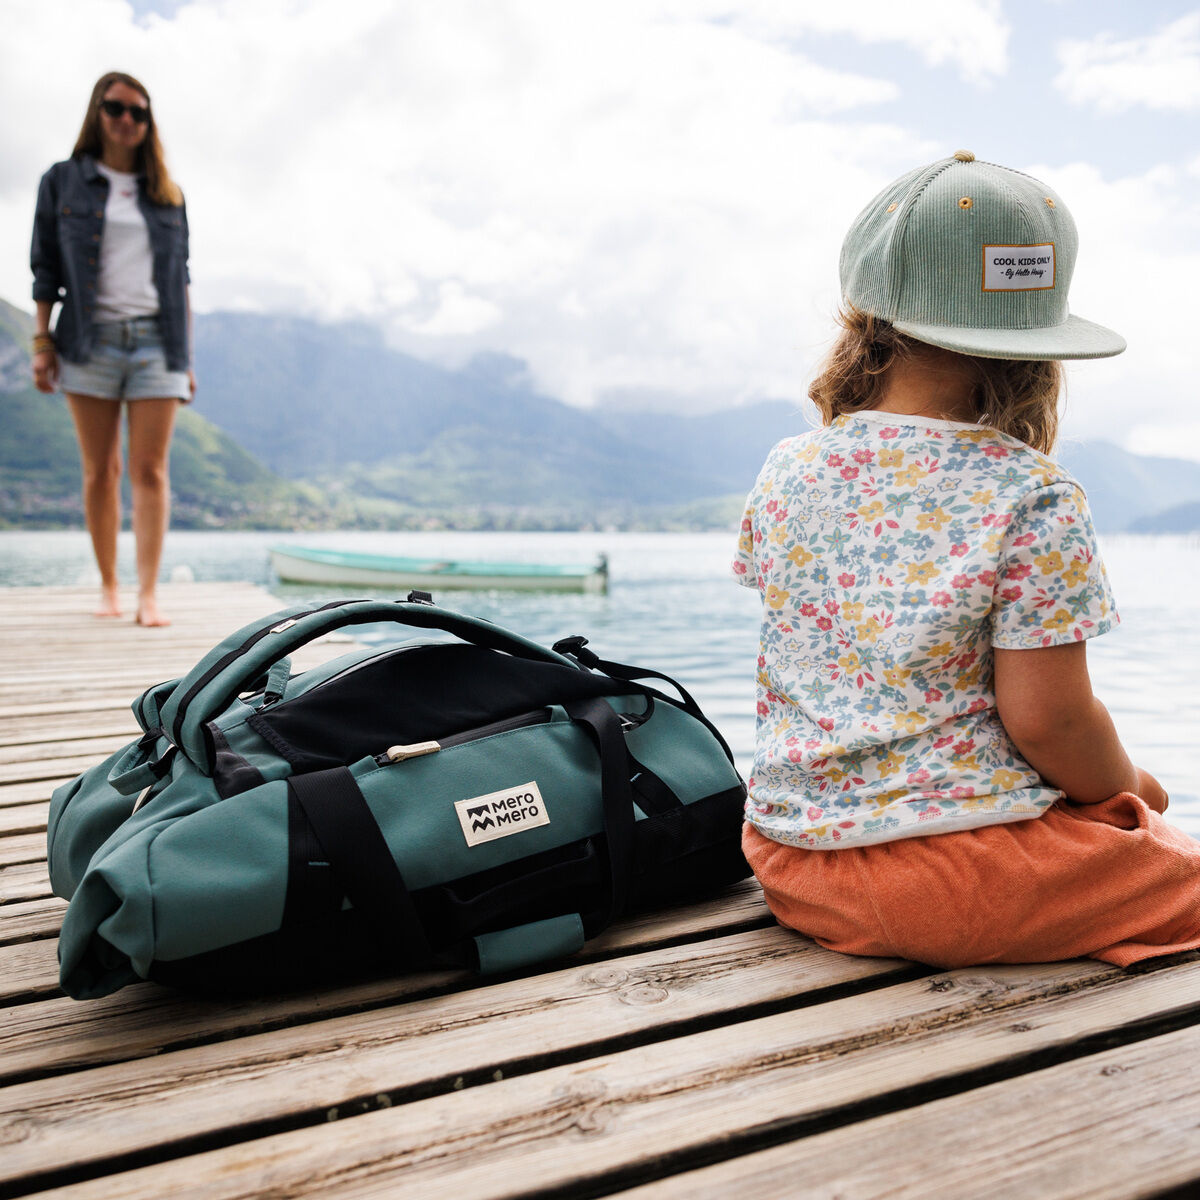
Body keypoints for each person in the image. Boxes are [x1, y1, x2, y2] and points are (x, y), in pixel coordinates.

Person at [734, 151, 1199, 969]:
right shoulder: (1031, 494)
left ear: (866, 318)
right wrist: (1135, 788)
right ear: (1035, 341)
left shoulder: (788, 466)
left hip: (792, 860)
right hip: (951, 884)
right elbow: (1051, 722)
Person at [31, 71, 194, 627]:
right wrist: (41, 339)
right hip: (86, 339)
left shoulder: (168, 195)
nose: (127, 120)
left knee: (151, 471)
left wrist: (186, 359)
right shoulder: (61, 181)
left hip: (157, 341)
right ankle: (109, 587)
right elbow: (46, 268)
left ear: (149, 123)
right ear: (97, 111)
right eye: (116, 108)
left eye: (139, 113)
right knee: (101, 471)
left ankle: (149, 594)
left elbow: (182, 281)